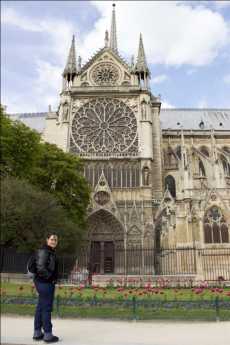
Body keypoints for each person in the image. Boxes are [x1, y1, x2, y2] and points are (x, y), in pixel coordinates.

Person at [33, 233, 59, 343]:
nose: (54, 241)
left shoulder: (49, 251)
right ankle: (48, 334)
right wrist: (50, 278)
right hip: (45, 283)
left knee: (40, 307)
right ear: (47, 239)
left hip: (42, 282)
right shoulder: (44, 251)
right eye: (52, 239)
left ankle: (37, 332)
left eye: (56, 240)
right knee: (46, 308)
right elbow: (40, 268)